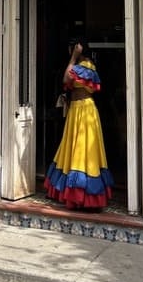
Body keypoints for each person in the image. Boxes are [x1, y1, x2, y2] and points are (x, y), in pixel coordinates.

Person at [44, 40, 114, 209]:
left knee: (83, 152)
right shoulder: (80, 65)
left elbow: (67, 77)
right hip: (76, 110)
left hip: (85, 110)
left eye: (72, 46)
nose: (69, 49)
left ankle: (84, 195)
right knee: (71, 148)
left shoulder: (87, 65)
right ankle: (70, 192)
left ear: (78, 47)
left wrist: (73, 57)